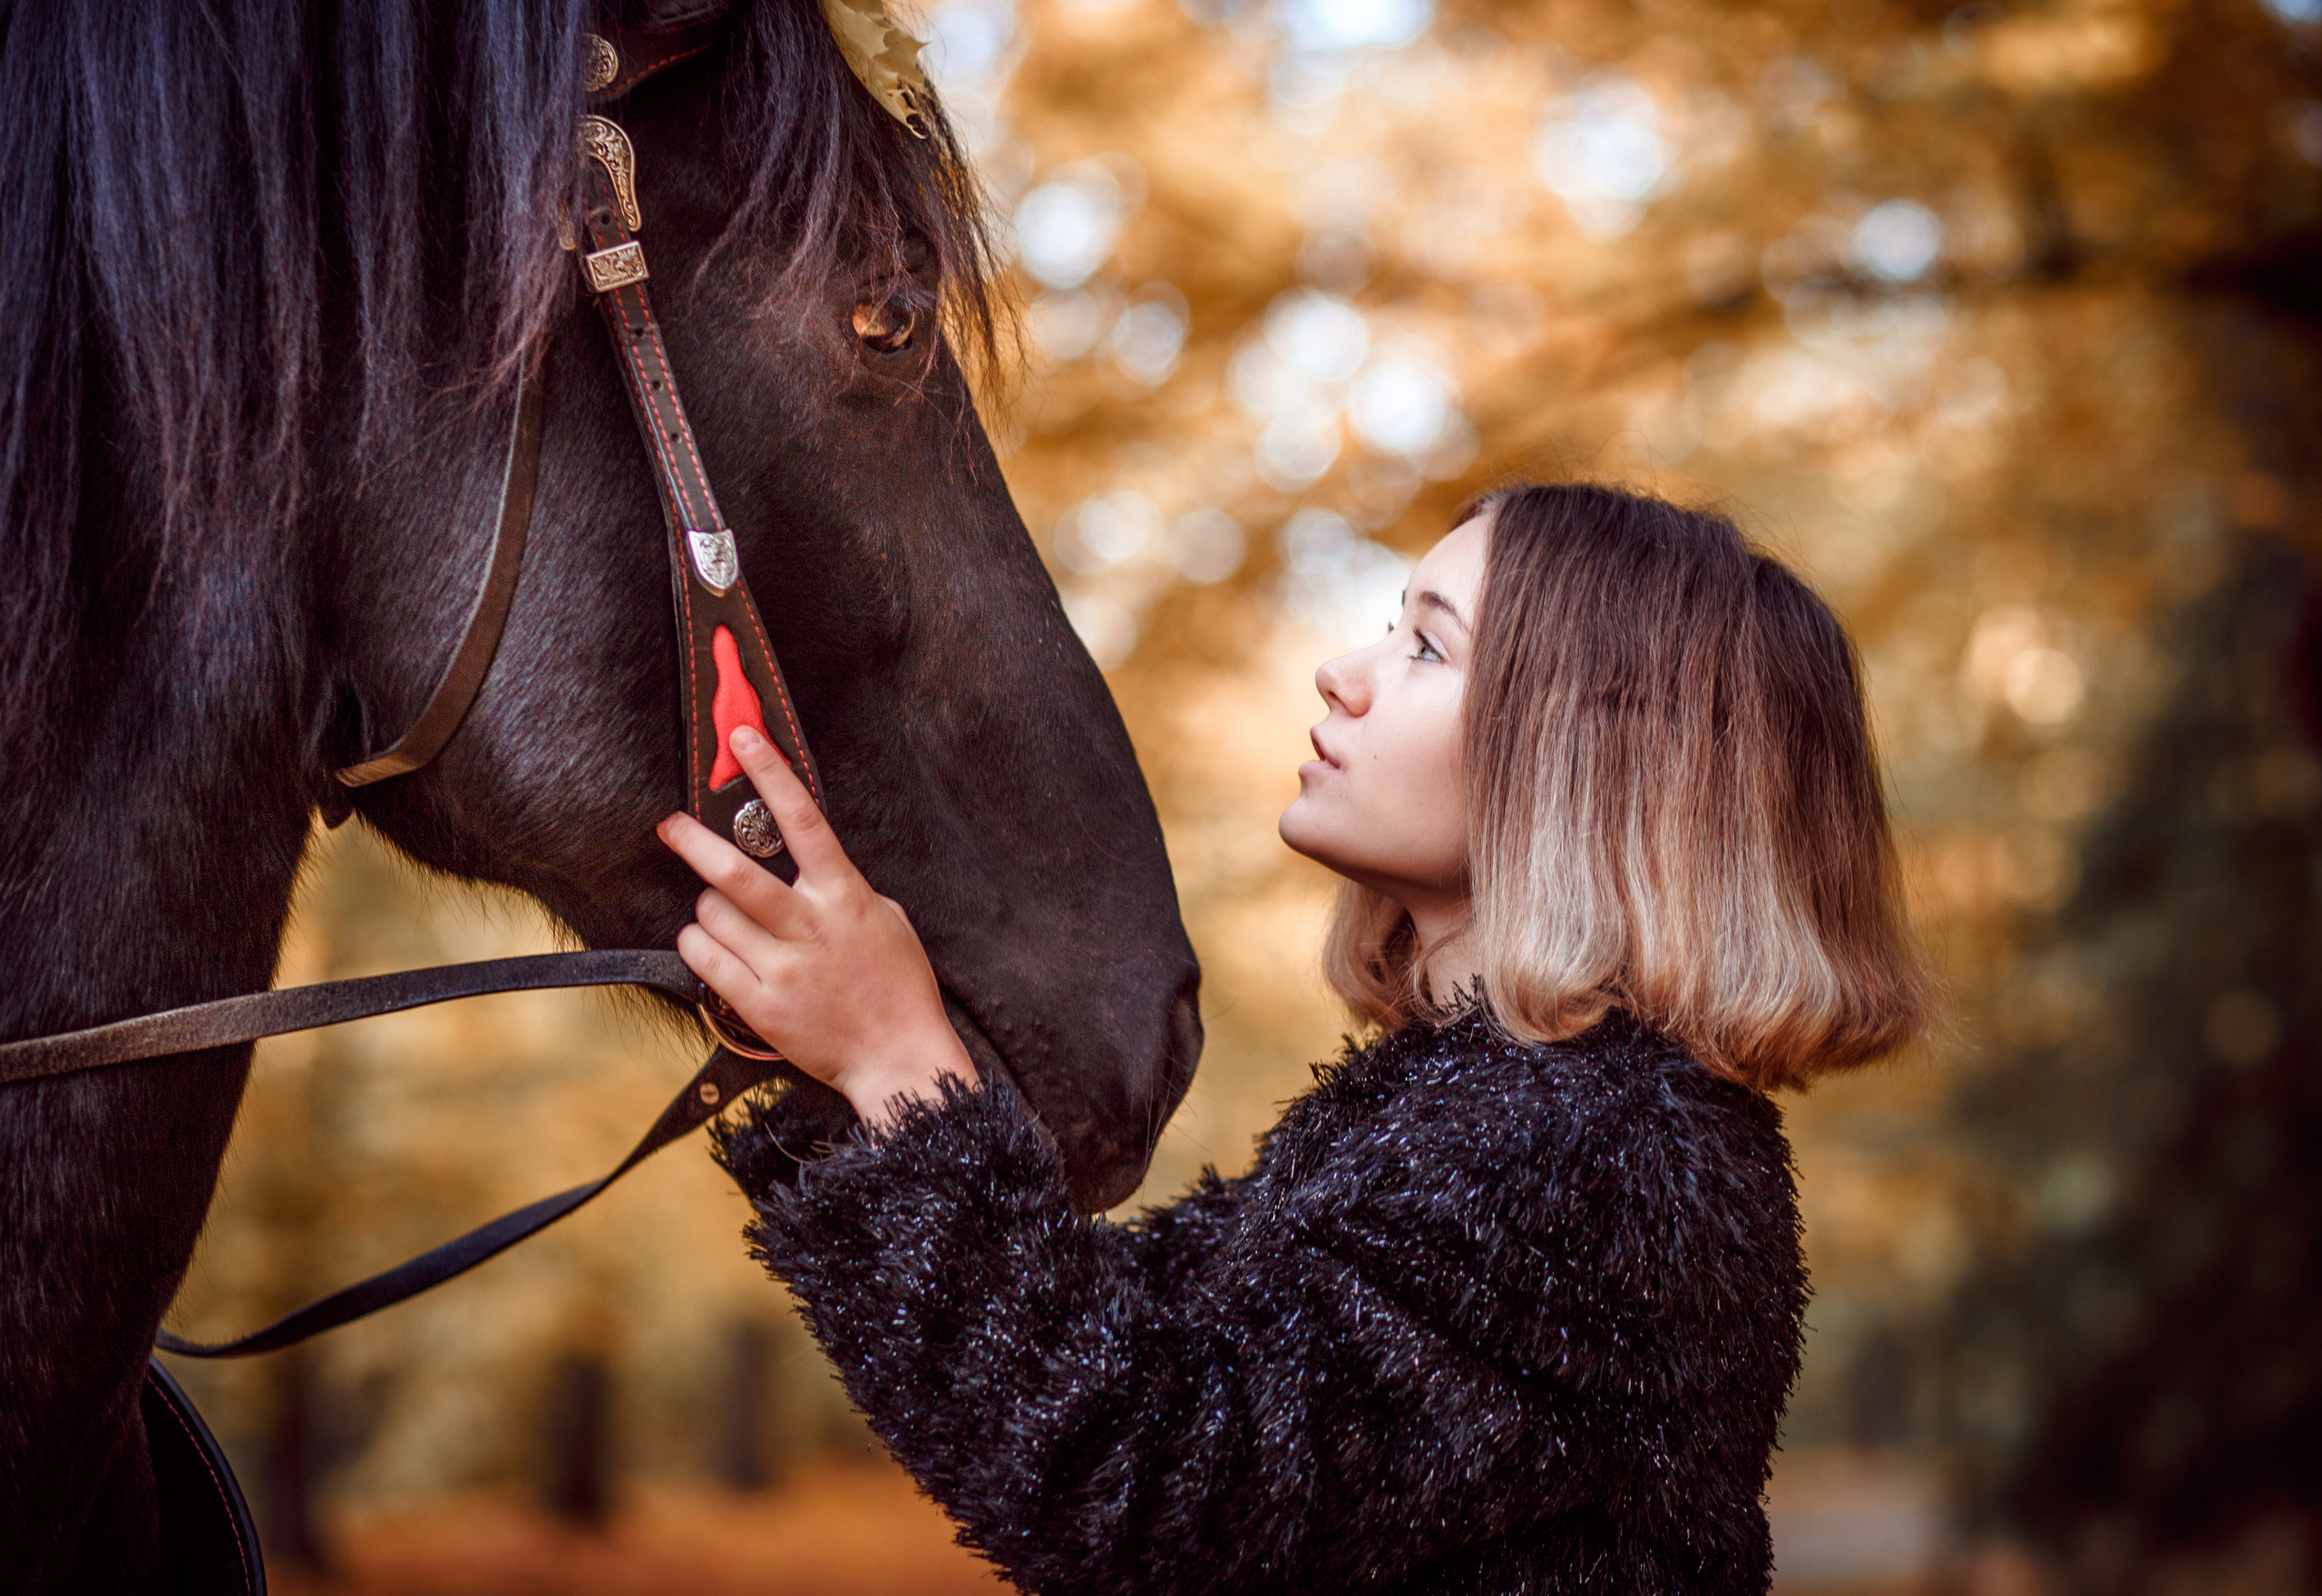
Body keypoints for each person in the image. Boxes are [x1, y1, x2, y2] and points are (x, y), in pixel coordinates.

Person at [657, 481, 1933, 1595]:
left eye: (1429, 648)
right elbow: (1090, 1343)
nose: (1348, 670)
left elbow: (1133, 1488)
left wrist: (894, 1057)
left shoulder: (1603, 1159)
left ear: (1597, 762)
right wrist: (853, 1040)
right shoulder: (1480, 1111)